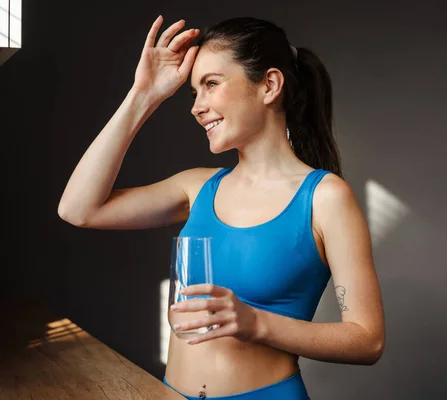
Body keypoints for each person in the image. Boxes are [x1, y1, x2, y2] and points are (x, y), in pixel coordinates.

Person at [58, 15, 385, 400]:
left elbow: (367, 340)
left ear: (270, 85)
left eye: (211, 84)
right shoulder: (197, 188)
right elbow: (79, 209)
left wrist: (254, 322)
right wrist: (143, 95)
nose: (197, 107)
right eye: (194, 92)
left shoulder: (325, 198)